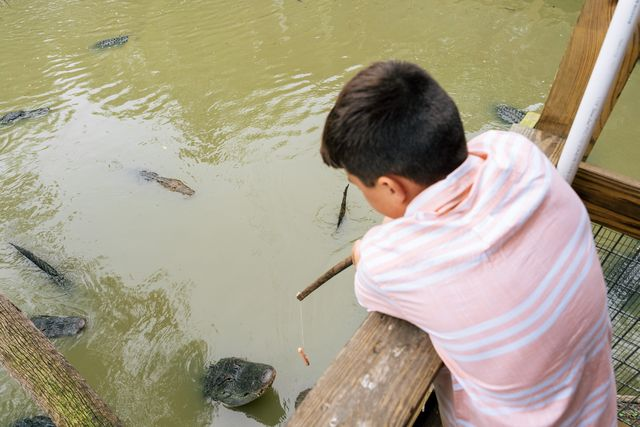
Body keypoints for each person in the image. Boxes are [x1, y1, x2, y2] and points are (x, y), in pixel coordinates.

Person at [320, 60, 616, 426]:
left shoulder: (397, 262)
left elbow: (368, 263)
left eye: (360, 186)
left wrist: (367, 246)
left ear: (390, 188)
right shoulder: (516, 154)